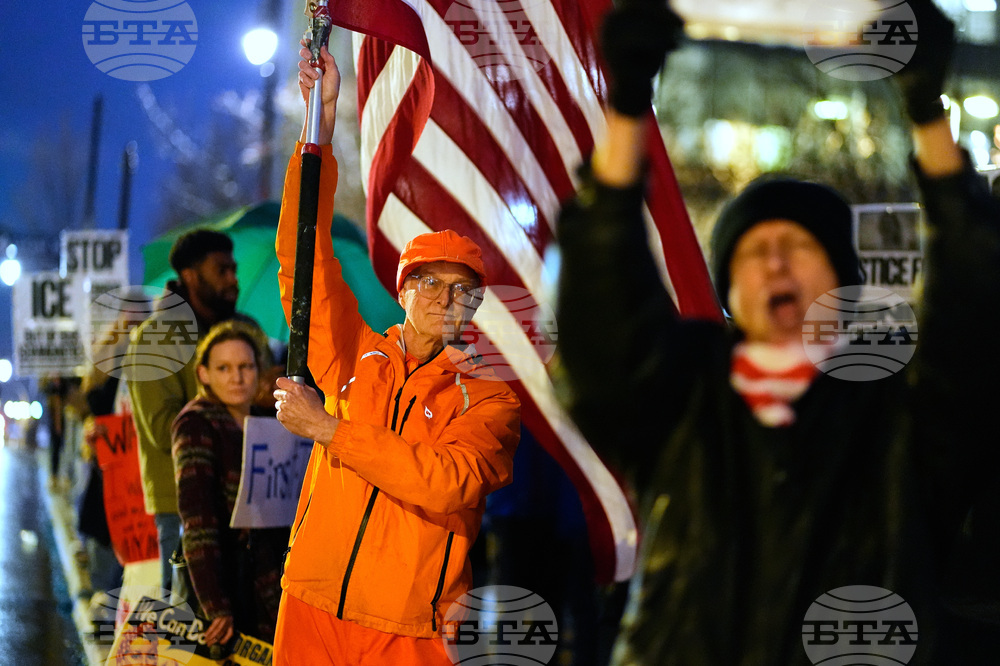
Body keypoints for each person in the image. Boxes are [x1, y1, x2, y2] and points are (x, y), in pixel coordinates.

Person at [551, 0, 1000, 663]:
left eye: (797, 244)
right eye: (752, 252)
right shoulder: (684, 397)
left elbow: (974, 306)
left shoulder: (897, 416)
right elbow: (602, 314)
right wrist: (624, 105)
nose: (774, 260)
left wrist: (927, 110)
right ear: (730, 292)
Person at [269, 42, 521, 665]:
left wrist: (328, 430)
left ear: (475, 306)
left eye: (462, 289)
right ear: (403, 291)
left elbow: (444, 483)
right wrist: (320, 125)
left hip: (409, 630)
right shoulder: (354, 357)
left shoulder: (491, 398)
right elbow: (306, 259)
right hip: (310, 602)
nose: (444, 298)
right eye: (430, 282)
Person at [126, 230, 267, 594]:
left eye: (233, 269)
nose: (233, 279)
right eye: (221, 270)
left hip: (254, 499)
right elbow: (163, 430)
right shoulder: (156, 337)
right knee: (190, 625)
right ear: (190, 275)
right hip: (184, 504)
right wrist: (236, 399)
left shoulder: (246, 331)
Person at [171, 321, 283, 648]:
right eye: (224, 368)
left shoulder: (269, 419)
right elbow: (198, 520)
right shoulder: (196, 423)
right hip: (225, 574)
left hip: (268, 576)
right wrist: (215, 604)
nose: (237, 377)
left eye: (246, 366)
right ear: (204, 374)